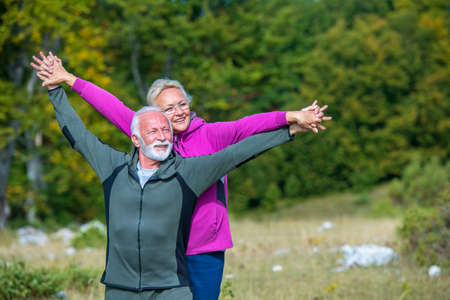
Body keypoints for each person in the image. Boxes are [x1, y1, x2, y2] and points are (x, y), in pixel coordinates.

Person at [32, 52, 331, 300]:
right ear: (148, 121)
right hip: (161, 252)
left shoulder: (211, 136)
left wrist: (292, 119)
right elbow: (109, 108)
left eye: (182, 104)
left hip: (202, 246)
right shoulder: (148, 131)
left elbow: (247, 131)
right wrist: (68, 80)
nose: (177, 113)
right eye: (168, 109)